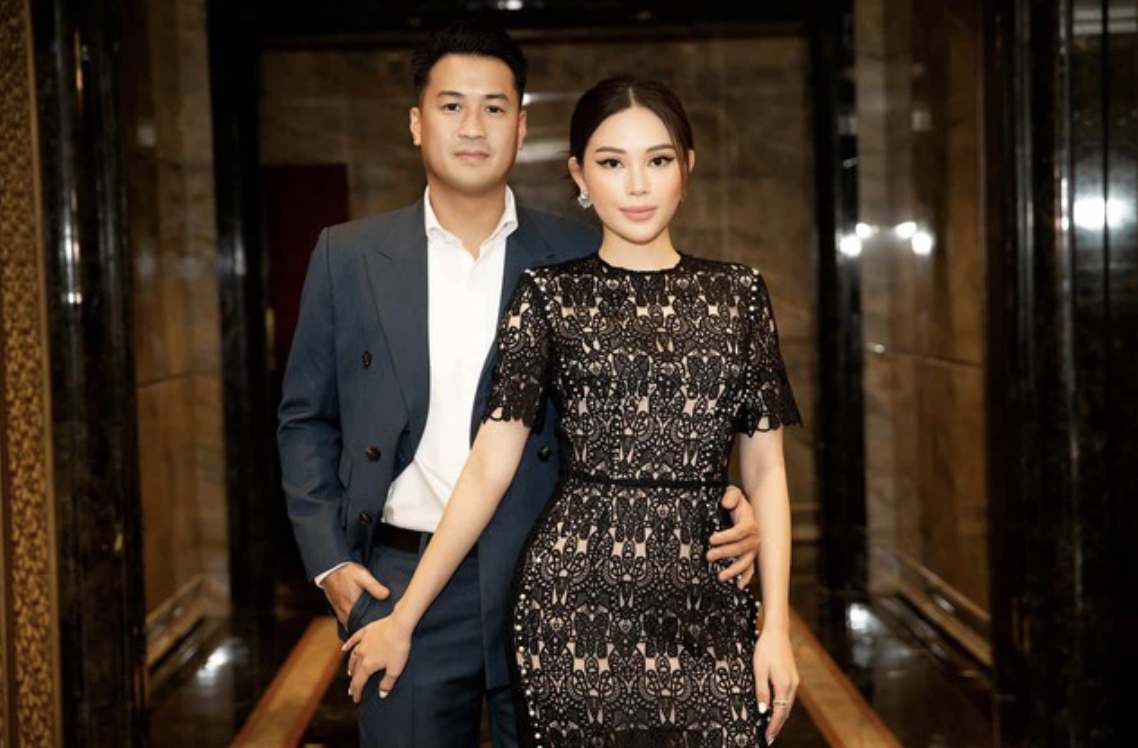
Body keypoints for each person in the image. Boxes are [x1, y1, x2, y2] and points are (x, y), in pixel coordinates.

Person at [277, 23, 764, 748]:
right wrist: (332, 567)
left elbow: (659, 403)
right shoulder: (347, 256)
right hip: (400, 578)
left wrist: (725, 504)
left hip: (563, 583)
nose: (473, 127)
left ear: (522, 126)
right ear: (416, 122)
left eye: (495, 107)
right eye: (452, 105)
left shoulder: (587, 253)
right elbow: (304, 420)